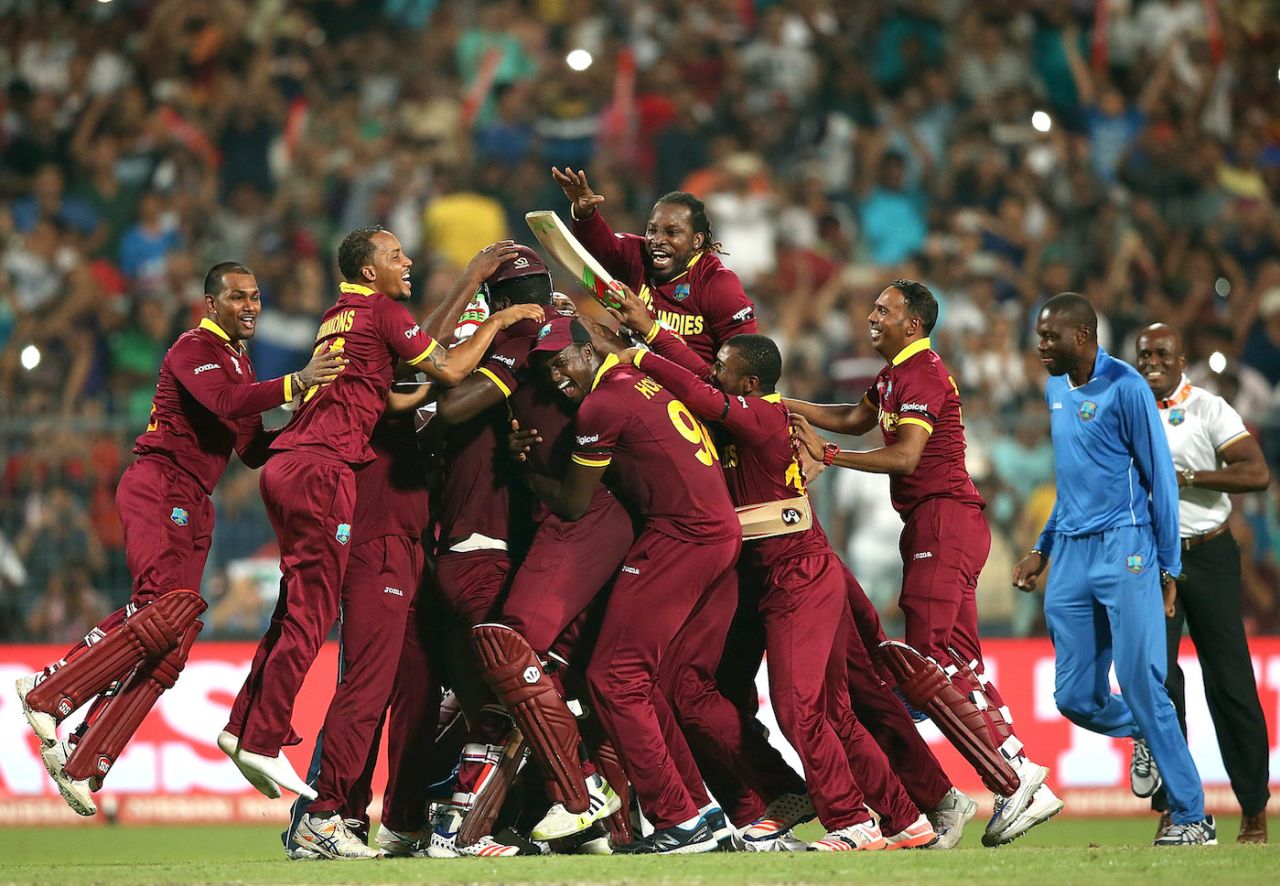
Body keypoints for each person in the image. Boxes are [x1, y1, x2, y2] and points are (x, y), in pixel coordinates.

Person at [218, 226, 541, 858]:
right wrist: (487, 309)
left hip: (390, 532)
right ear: (371, 271)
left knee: (391, 683)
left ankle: (362, 814)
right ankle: (321, 812)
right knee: (365, 678)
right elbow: (438, 359)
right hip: (376, 532)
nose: (408, 261)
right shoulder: (399, 368)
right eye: (396, 256)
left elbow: (425, 354)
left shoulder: (367, 335)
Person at [15, 262, 346, 816]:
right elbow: (226, 403)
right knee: (163, 610)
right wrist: (298, 382)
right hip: (159, 484)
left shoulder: (240, 366)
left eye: (256, 297)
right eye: (238, 296)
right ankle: (49, 691)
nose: (250, 306)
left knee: (175, 637)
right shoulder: (193, 348)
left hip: (194, 500)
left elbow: (251, 449)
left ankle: (83, 757)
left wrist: (313, 422)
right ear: (210, 303)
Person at [621, 329, 938, 852]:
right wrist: (652, 332)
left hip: (799, 574)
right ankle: (904, 818)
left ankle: (851, 822)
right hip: (767, 574)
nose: (712, 371)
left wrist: (637, 356)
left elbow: (704, 393)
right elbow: (704, 382)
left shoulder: (765, 415)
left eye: (722, 366)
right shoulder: (745, 411)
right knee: (824, 708)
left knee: (796, 706)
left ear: (748, 381)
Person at [789, 280, 1060, 846]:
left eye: (883, 311)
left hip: (943, 517)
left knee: (929, 660)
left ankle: (1012, 781)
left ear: (912, 324)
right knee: (958, 661)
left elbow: (908, 457)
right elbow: (853, 417)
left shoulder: (923, 373)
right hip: (941, 522)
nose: (871, 316)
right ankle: (1021, 772)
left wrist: (829, 457)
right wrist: (786, 406)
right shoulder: (893, 376)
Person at [517, 315, 742, 854]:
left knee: (613, 678)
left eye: (561, 360)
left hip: (682, 534)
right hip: (712, 530)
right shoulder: (637, 381)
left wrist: (521, 467)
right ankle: (701, 811)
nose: (556, 376)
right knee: (642, 681)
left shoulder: (602, 405)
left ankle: (678, 821)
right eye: (546, 368)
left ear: (585, 349)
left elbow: (572, 503)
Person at [1011, 293, 1214, 846]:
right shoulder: (1056, 388)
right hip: (1072, 554)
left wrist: (1169, 568)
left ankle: (1194, 816)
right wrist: (1043, 547)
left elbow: (1161, 483)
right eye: (1039, 334)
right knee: (1074, 697)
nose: (1041, 345)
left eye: (1050, 336)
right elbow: (1072, 481)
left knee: (1144, 685)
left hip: (1127, 546)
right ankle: (1144, 733)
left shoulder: (1125, 388)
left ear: (1082, 336)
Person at [1134, 323, 1271, 844]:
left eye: (1162, 352)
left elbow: (1255, 472)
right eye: (1144, 352)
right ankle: (1177, 809)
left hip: (1209, 551)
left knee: (1231, 683)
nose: (1152, 360)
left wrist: (1188, 479)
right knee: (1159, 682)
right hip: (1151, 560)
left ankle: (1254, 810)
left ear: (1181, 358)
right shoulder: (1127, 410)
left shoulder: (1209, 408)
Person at [551, 167, 758, 364]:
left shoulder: (718, 283)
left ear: (697, 240)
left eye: (672, 232)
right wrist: (585, 212)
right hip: (634, 378)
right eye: (652, 230)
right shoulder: (637, 254)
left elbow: (745, 359)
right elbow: (603, 247)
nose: (657, 240)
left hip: (691, 390)